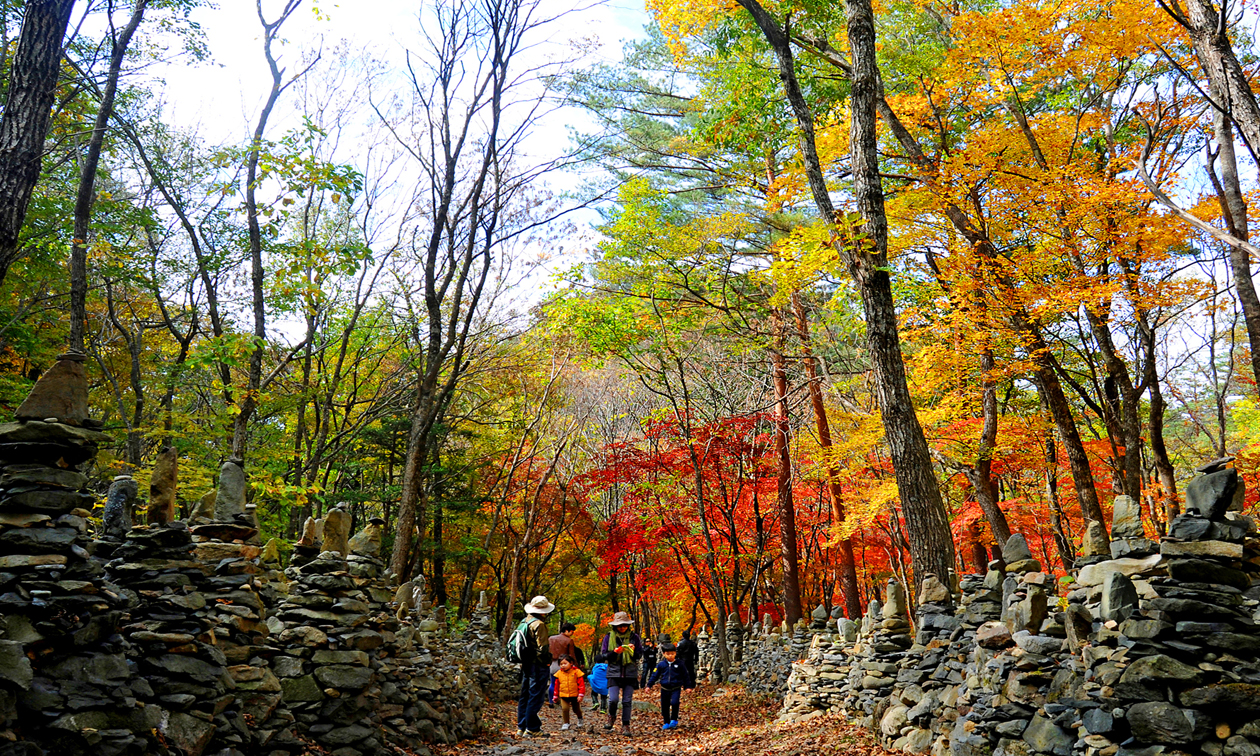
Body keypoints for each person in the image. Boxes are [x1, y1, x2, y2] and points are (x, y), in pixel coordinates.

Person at [514, 595, 556, 738]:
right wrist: (547, 661)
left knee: (525, 695)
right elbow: (543, 648)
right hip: (538, 665)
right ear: (543, 611)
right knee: (536, 696)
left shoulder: (523, 622)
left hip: (526, 664)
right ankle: (532, 728)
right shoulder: (539, 624)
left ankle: (522, 727)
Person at [597, 611, 644, 736]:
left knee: (627, 701)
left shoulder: (635, 637)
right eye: (619, 625)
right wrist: (615, 653)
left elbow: (639, 655)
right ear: (615, 625)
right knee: (613, 699)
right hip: (613, 672)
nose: (622, 627)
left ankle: (626, 725)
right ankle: (611, 716)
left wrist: (633, 651)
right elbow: (603, 655)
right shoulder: (608, 637)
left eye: (624, 624)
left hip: (630, 672)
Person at [646, 643, 688, 730]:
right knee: (664, 706)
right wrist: (649, 685)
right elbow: (655, 675)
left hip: (676, 688)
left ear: (675, 653)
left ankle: (674, 719)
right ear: (664, 654)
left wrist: (688, 686)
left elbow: (685, 675)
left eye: (672, 654)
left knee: (675, 703)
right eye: (668, 654)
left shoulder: (680, 664)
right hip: (665, 688)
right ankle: (666, 721)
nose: (670, 656)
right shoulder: (661, 665)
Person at [551, 654, 586, 731]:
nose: (563, 665)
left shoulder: (576, 672)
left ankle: (580, 718)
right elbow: (556, 686)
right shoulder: (559, 674)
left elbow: (581, 684)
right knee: (565, 708)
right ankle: (566, 723)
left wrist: (581, 694)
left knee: (576, 709)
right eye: (561, 664)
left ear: (571, 663)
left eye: (565, 663)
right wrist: (555, 696)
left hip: (574, 695)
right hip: (563, 695)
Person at [548, 622, 579, 704]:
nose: (572, 633)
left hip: (552, 663)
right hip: (564, 664)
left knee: (553, 683)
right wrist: (575, 665)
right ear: (566, 631)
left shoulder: (551, 638)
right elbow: (571, 655)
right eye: (572, 631)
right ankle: (564, 701)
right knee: (565, 684)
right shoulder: (569, 641)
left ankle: (551, 701)